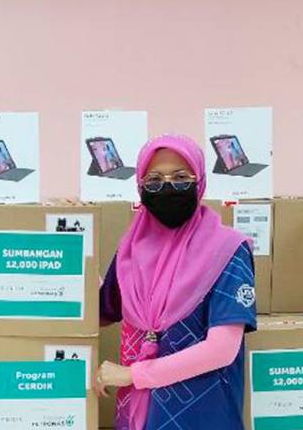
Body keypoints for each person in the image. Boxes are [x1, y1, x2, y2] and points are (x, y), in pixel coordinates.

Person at [94, 134, 257, 430]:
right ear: (141, 188)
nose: (167, 187)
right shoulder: (131, 251)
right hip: (138, 417)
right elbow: (101, 312)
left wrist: (133, 375)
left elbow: (221, 349)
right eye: (154, 180)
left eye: (181, 177)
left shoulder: (228, 250)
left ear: (200, 182)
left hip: (203, 414)